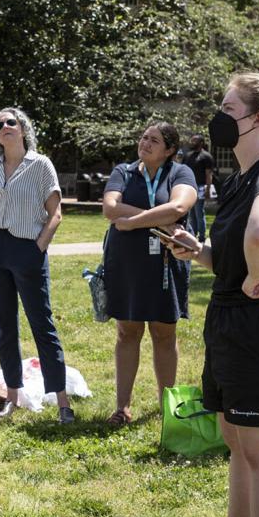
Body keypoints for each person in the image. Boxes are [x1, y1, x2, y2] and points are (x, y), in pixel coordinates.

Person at [169, 73, 259, 517]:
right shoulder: (239, 179)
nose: (218, 119)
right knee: (236, 436)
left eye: (228, 109)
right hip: (231, 319)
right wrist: (200, 252)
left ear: (257, 119)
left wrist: (254, 273)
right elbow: (237, 248)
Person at [0, 107, 74, 424]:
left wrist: (38, 248)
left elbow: (55, 214)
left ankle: (62, 403)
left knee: (42, 325)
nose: (4, 126)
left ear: (23, 129)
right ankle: (12, 398)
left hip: (26, 249)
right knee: (4, 328)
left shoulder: (41, 165)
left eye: (10, 122)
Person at [100, 122, 196, 426]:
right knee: (127, 332)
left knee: (164, 334)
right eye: (144, 137)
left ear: (169, 150)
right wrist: (159, 220)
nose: (145, 143)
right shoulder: (124, 171)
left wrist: (133, 221)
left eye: (154, 140)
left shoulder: (180, 173)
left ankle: (167, 407)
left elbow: (179, 206)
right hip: (126, 262)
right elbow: (110, 208)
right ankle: (122, 407)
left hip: (166, 263)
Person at [182, 135, 216, 242]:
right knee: (191, 214)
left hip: (200, 187)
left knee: (199, 213)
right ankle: (193, 235)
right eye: (192, 140)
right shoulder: (187, 156)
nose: (192, 142)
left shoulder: (206, 156)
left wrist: (207, 189)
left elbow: (208, 174)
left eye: (195, 140)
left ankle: (201, 237)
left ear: (201, 143)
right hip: (188, 188)